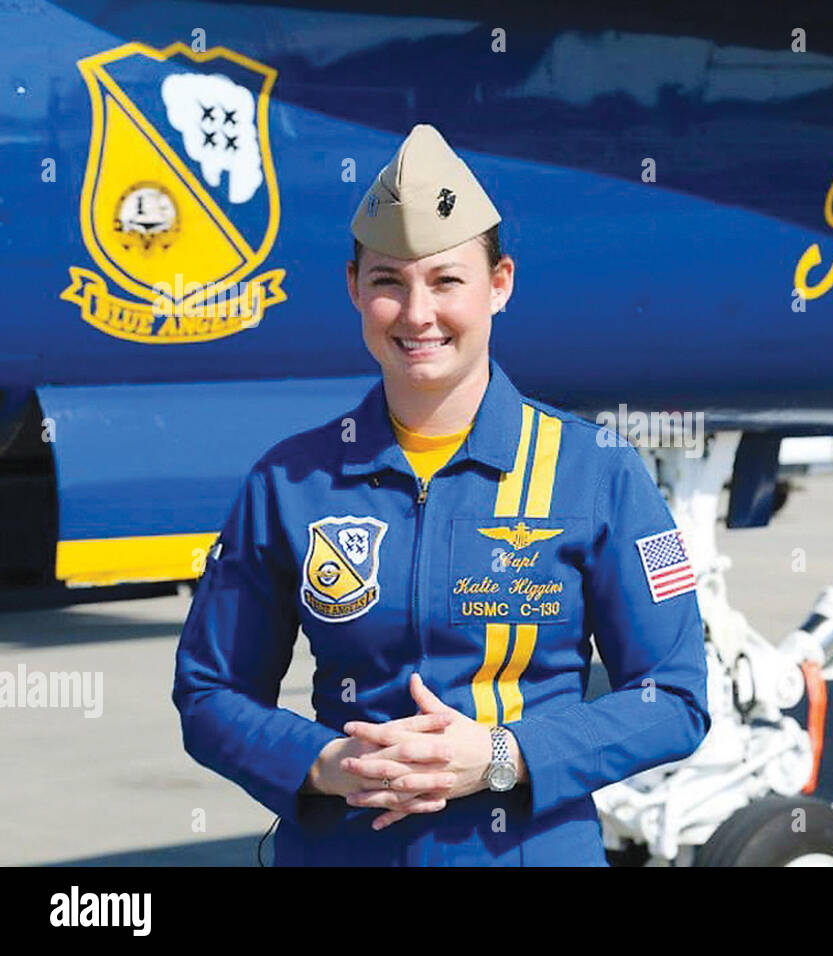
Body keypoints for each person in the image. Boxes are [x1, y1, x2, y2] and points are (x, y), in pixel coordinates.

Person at [172, 124, 712, 866]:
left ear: (500, 284)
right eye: (390, 281)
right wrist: (324, 766)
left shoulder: (598, 472)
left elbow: (673, 698)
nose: (418, 314)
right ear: (354, 287)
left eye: (447, 281)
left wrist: (499, 757)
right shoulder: (290, 482)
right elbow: (210, 694)